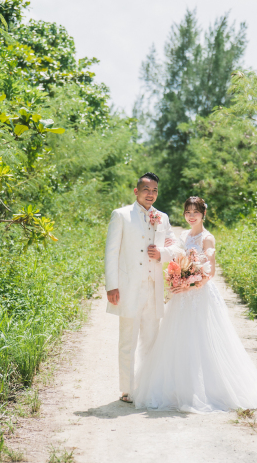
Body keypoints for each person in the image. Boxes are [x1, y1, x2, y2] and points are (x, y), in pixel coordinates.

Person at [132, 196, 257, 413]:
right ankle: (177, 388)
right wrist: (176, 276)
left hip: (199, 295)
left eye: (195, 212)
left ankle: (206, 390)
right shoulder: (183, 235)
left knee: (202, 340)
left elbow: (211, 272)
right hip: (182, 296)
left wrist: (189, 286)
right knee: (178, 340)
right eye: (187, 212)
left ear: (203, 214)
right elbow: (177, 258)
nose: (191, 216)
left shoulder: (207, 238)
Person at [104, 172, 183, 404]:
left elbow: (175, 246)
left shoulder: (163, 217)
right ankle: (127, 390)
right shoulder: (121, 215)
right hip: (128, 287)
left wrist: (163, 253)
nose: (151, 194)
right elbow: (111, 252)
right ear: (136, 191)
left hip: (153, 287)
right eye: (147, 190)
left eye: (155, 190)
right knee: (127, 339)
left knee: (151, 339)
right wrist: (112, 286)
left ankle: (148, 387)